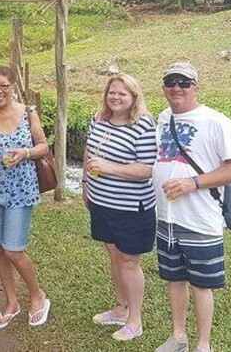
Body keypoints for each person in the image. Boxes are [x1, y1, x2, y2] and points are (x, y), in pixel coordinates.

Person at [152, 62, 231, 352]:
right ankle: (178, 337)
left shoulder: (216, 121)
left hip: (200, 218)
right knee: (174, 278)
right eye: (171, 81)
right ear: (164, 87)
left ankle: (203, 345)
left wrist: (193, 183)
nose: (177, 87)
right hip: (166, 217)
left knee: (201, 285)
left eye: (184, 82)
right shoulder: (163, 117)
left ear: (196, 87)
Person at [0, 66, 51, 330]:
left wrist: (25, 153)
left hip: (21, 191)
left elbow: (43, 147)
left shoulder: (28, 113)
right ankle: (12, 302)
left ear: (14, 86)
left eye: (4, 85)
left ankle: (38, 296)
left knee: (13, 250)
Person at [81, 74, 158, 342]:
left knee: (128, 261)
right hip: (102, 203)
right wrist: (85, 184)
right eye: (112, 92)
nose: (115, 97)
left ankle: (135, 320)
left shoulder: (144, 126)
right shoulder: (99, 119)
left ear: (134, 97)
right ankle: (120, 308)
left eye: (122, 94)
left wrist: (109, 168)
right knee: (113, 255)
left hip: (132, 208)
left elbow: (147, 169)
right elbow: (89, 153)